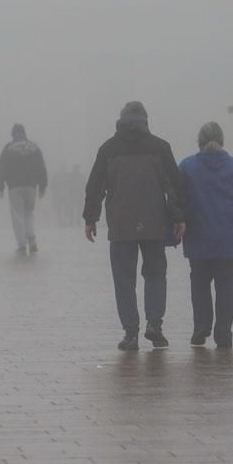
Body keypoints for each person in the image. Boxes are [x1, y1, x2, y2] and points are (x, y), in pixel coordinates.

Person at [83, 102, 185, 351]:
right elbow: (173, 185)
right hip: (154, 223)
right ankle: (154, 324)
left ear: (121, 120)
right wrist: (179, 217)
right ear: (145, 121)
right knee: (155, 275)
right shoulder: (160, 147)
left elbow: (95, 185)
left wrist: (91, 218)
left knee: (124, 279)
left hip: (121, 225)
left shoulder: (108, 149)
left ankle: (130, 333)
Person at [178, 122, 233, 349]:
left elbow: (176, 201)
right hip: (229, 239)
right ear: (222, 141)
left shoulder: (187, 167)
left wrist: (172, 232)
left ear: (199, 142)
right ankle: (224, 332)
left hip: (198, 237)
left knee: (199, 284)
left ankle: (201, 328)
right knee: (226, 286)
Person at [0, 123, 48, 255]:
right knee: (29, 213)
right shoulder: (34, 147)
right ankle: (32, 239)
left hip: (14, 186)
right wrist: (43, 185)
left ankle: (22, 245)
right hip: (31, 185)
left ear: (13, 134)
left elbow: (2, 166)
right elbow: (41, 166)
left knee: (17, 215)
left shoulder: (8, 148)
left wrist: (0, 186)